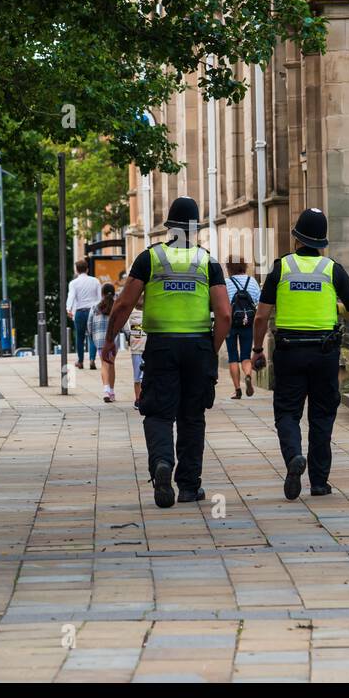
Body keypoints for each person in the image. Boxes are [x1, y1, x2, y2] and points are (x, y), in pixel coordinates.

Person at [101, 197, 231, 508]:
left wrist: (109, 341)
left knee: (158, 411)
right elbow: (224, 314)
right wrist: (211, 349)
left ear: (169, 227)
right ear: (196, 229)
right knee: (192, 415)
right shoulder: (208, 261)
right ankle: (188, 486)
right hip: (198, 345)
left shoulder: (150, 259)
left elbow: (122, 305)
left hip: (160, 346)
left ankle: (161, 463)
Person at [252, 207, 349, 500]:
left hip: (289, 352)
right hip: (324, 353)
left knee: (287, 413)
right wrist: (336, 307)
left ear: (296, 238)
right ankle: (319, 482)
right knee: (322, 415)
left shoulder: (281, 269)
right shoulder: (332, 270)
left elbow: (261, 316)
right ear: (322, 242)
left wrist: (255, 350)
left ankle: (293, 457)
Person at [224, 258, 260, 400]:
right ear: (244, 267)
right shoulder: (252, 282)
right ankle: (248, 375)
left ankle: (237, 390)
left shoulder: (226, 283)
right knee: (245, 356)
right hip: (248, 323)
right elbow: (258, 301)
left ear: (229, 268)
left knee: (233, 357)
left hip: (230, 324)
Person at [66, 259, 103, 370]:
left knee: (80, 337)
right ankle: (92, 359)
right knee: (92, 337)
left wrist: (69, 310)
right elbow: (99, 298)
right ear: (87, 269)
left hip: (80, 312)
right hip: (93, 312)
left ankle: (80, 361)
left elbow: (71, 297)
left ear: (76, 270)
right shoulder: (95, 281)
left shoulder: (73, 283)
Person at [87, 282, 121, 402]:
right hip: (113, 340)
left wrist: (92, 337)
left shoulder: (95, 307)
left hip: (100, 341)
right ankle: (111, 391)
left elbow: (89, 324)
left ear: (102, 294)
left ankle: (106, 390)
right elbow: (122, 323)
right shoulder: (116, 307)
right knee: (111, 365)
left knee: (104, 365)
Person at [127, 292, 147, 410]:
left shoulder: (131, 316)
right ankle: (146, 397)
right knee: (147, 375)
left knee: (136, 376)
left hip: (135, 348)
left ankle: (137, 399)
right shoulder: (149, 315)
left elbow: (126, 329)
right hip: (147, 348)